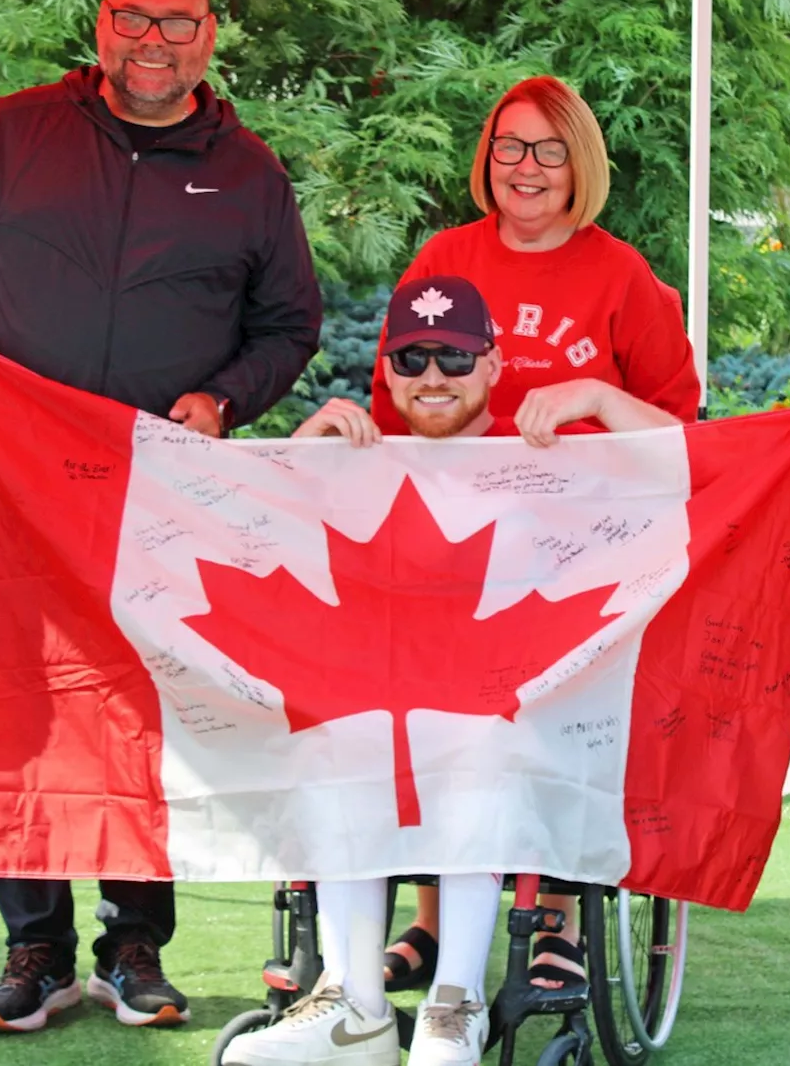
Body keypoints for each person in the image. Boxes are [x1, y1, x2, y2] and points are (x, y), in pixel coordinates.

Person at [0, 0, 321, 1035]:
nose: (153, 44)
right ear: (103, 26)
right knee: (18, 699)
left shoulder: (251, 173)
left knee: (136, 703)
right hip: (12, 479)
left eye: (177, 26)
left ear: (209, 37)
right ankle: (34, 945)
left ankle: (134, 943)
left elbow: (289, 324)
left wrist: (223, 400)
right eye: (134, 19)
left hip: (155, 488)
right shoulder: (14, 130)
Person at [223, 274, 677, 1066]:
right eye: (414, 357)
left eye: (456, 359)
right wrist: (296, 454)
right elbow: (244, 538)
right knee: (336, 736)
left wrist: (602, 397)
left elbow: (688, 467)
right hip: (375, 703)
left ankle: (454, 1003)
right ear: (389, 370)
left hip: (505, 710)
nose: (433, 376)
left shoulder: (547, 462)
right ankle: (352, 1003)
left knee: (474, 743)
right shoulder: (349, 460)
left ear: (496, 367)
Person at [371, 74, 700, 994]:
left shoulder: (619, 274)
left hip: (575, 559)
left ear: (579, 164)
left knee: (553, 718)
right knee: (433, 713)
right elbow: (391, 396)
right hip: (454, 553)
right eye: (510, 146)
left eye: (549, 150)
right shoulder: (445, 256)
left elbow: (678, 424)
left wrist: (596, 396)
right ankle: (434, 920)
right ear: (488, 158)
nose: (527, 167)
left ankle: (553, 917)